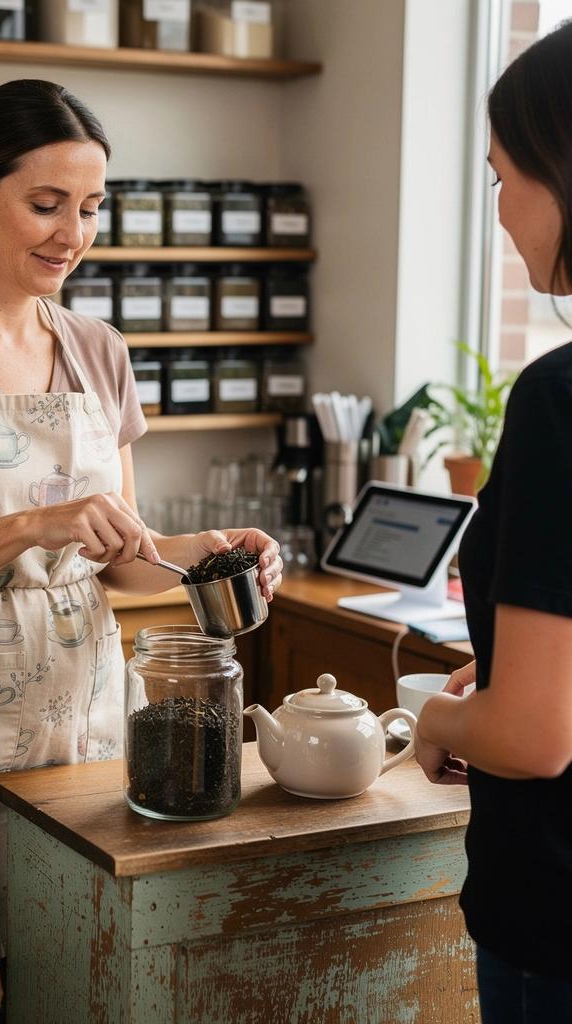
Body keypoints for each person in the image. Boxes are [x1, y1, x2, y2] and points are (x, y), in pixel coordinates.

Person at [0, 79, 282, 1023]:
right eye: (45, 203)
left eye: (90, 208)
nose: (71, 233)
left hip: (77, 729)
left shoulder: (99, 350)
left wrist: (212, 550)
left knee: (79, 989)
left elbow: (121, 552)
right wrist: (34, 523)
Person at [413, 21, 572, 1024]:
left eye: (502, 176)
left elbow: (532, 737)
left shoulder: (559, 399)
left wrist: (443, 718)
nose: (501, 210)